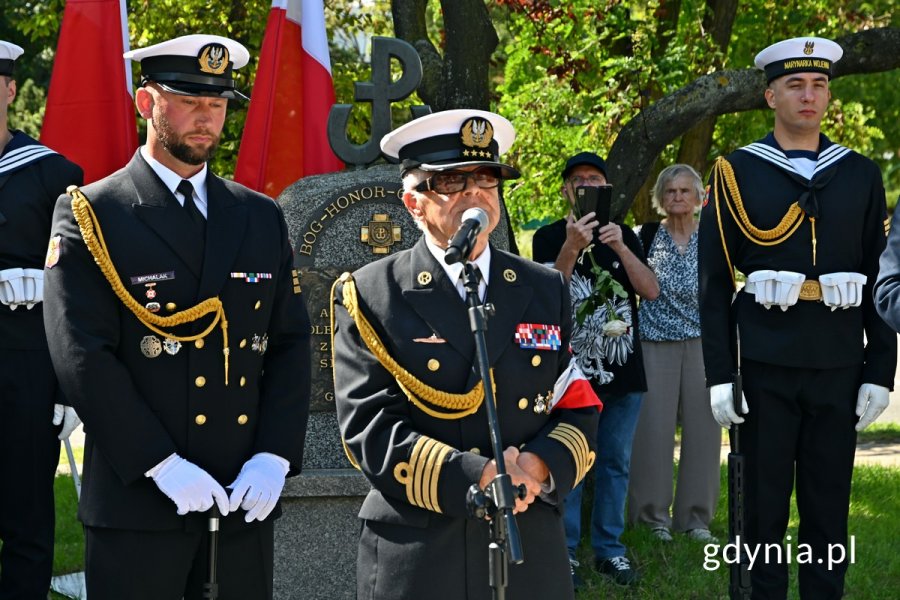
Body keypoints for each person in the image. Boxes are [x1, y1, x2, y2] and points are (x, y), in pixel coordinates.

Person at [42, 34, 311, 600]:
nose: (206, 119)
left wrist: (274, 454)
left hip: (240, 495)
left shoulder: (258, 216)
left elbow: (287, 343)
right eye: (189, 101)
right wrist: (160, 464)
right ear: (147, 103)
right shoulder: (95, 212)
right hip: (139, 502)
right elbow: (81, 354)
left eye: (217, 105)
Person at [331, 109, 601, 600]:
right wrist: (479, 475)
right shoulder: (371, 293)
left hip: (527, 535)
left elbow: (576, 403)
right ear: (413, 203)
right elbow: (368, 428)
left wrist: (538, 467)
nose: (475, 193)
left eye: (486, 179)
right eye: (452, 182)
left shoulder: (542, 288)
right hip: (421, 545)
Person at [699, 36, 895, 599]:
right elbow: (713, 282)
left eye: (819, 84)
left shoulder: (859, 174)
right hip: (764, 362)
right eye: (795, 85)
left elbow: (881, 278)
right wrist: (719, 372)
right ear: (769, 95)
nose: (810, 96)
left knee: (828, 505)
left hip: (838, 362)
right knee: (761, 508)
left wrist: (880, 370)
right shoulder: (736, 172)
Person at [532, 151, 659, 587]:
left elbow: (651, 290)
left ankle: (609, 551)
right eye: (578, 179)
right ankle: (563, 552)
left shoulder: (625, 236)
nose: (586, 185)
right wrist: (572, 246)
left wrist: (619, 245)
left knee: (615, 464)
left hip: (624, 373)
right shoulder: (549, 237)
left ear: (607, 190)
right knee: (569, 461)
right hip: (570, 375)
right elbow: (548, 295)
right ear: (567, 190)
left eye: (595, 179)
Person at [0, 40, 83, 600]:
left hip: (23, 372)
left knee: (26, 515)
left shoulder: (52, 174)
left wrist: (67, 385)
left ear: (8, 89)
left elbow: (80, 287)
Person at [626, 164, 720, 543]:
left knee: (704, 434)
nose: (678, 197)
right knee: (652, 434)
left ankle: (695, 520)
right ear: (660, 199)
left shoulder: (715, 238)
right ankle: (652, 520)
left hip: (704, 345)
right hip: (654, 345)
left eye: (685, 191)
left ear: (700, 198)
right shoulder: (643, 236)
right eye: (671, 191)